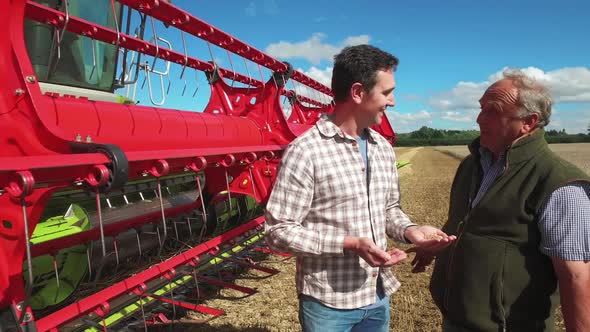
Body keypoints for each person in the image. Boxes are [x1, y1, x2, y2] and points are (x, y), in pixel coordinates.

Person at [264, 44, 455, 332]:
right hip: (328, 304)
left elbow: (389, 210)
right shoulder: (306, 151)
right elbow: (278, 232)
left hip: (377, 295)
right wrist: (349, 244)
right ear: (357, 92)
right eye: (387, 92)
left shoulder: (382, 149)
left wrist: (410, 231)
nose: (392, 102)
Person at [412, 70, 590, 331]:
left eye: (492, 110)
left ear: (528, 122)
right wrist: (437, 247)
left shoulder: (559, 184)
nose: (478, 118)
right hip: (455, 320)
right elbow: (463, 226)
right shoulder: (472, 165)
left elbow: (576, 276)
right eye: (481, 108)